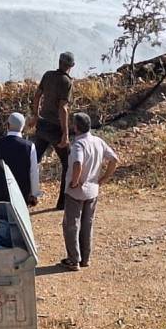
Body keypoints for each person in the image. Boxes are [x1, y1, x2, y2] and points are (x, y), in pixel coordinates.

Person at [60, 112, 119, 271]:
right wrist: (104, 178)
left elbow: (77, 164)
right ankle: (85, 258)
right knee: (87, 224)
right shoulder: (98, 141)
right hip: (93, 190)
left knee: (71, 225)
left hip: (77, 191)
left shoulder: (79, 145)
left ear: (76, 127)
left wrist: (75, 181)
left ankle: (73, 259)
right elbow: (114, 159)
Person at [30, 52, 75, 210]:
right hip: (55, 128)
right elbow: (63, 108)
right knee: (68, 163)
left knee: (33, 160)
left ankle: (27, 195)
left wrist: (35, 115)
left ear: (59, 62)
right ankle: (62, 202)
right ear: (71, 66)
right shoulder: (66, 82)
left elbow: (37, 96)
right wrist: (65, 133)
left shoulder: (47, 75)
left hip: (42, 124)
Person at [0, 112, 41, 206]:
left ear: (7, 125)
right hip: (21, 195)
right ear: (22, 127)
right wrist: (34, 194)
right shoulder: (29, 146)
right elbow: (33, 173)